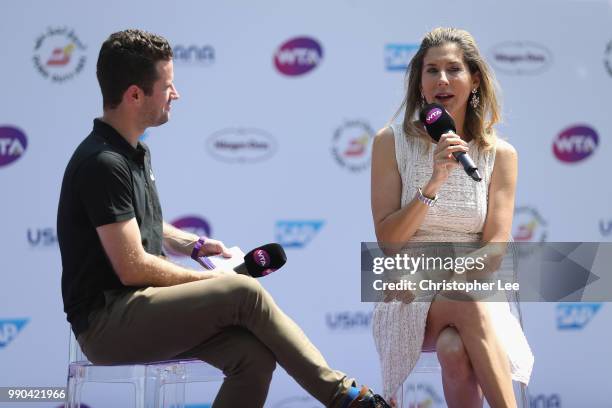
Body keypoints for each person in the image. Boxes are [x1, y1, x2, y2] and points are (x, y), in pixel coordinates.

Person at [57, 29, 391, 408]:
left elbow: (135, 224)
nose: (176, 94)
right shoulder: (103, 162)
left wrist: (194, 244)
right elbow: (132, 266)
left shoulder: (133, 153)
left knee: (253, 358)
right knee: (241, 291)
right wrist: (210, 280)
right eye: (167, 86)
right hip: (107, 325)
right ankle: (345, 397)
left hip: (139, 308)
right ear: (135, 94)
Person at [370, 27, 534, 408]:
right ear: (419, 82)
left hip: (472, 286)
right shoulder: (390, 142)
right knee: (468, 305)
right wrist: (433, 183)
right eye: (431, 70)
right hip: (405, 294)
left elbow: (495, 247)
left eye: (454, 69)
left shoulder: (500, 154)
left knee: (453, 347)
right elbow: (388, 241)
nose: (442, 80)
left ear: (474, 79)